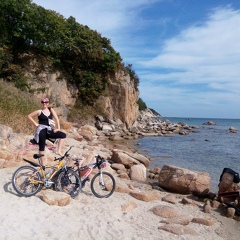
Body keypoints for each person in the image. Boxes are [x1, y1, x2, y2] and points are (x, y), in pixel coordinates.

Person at [27, 97, 66, 165]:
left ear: (48, 103)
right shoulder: (39, 111)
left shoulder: (51, 110)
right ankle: (42, 165)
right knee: (41, 148)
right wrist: (35, 123)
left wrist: (58, 128)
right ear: (41, 103)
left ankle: (58, 150)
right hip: (41, 130)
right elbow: (29, 116)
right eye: (43, 102)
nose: (44, 103)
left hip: (49, 130)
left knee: (63, 135)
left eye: (46, 102)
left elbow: (57, 119)